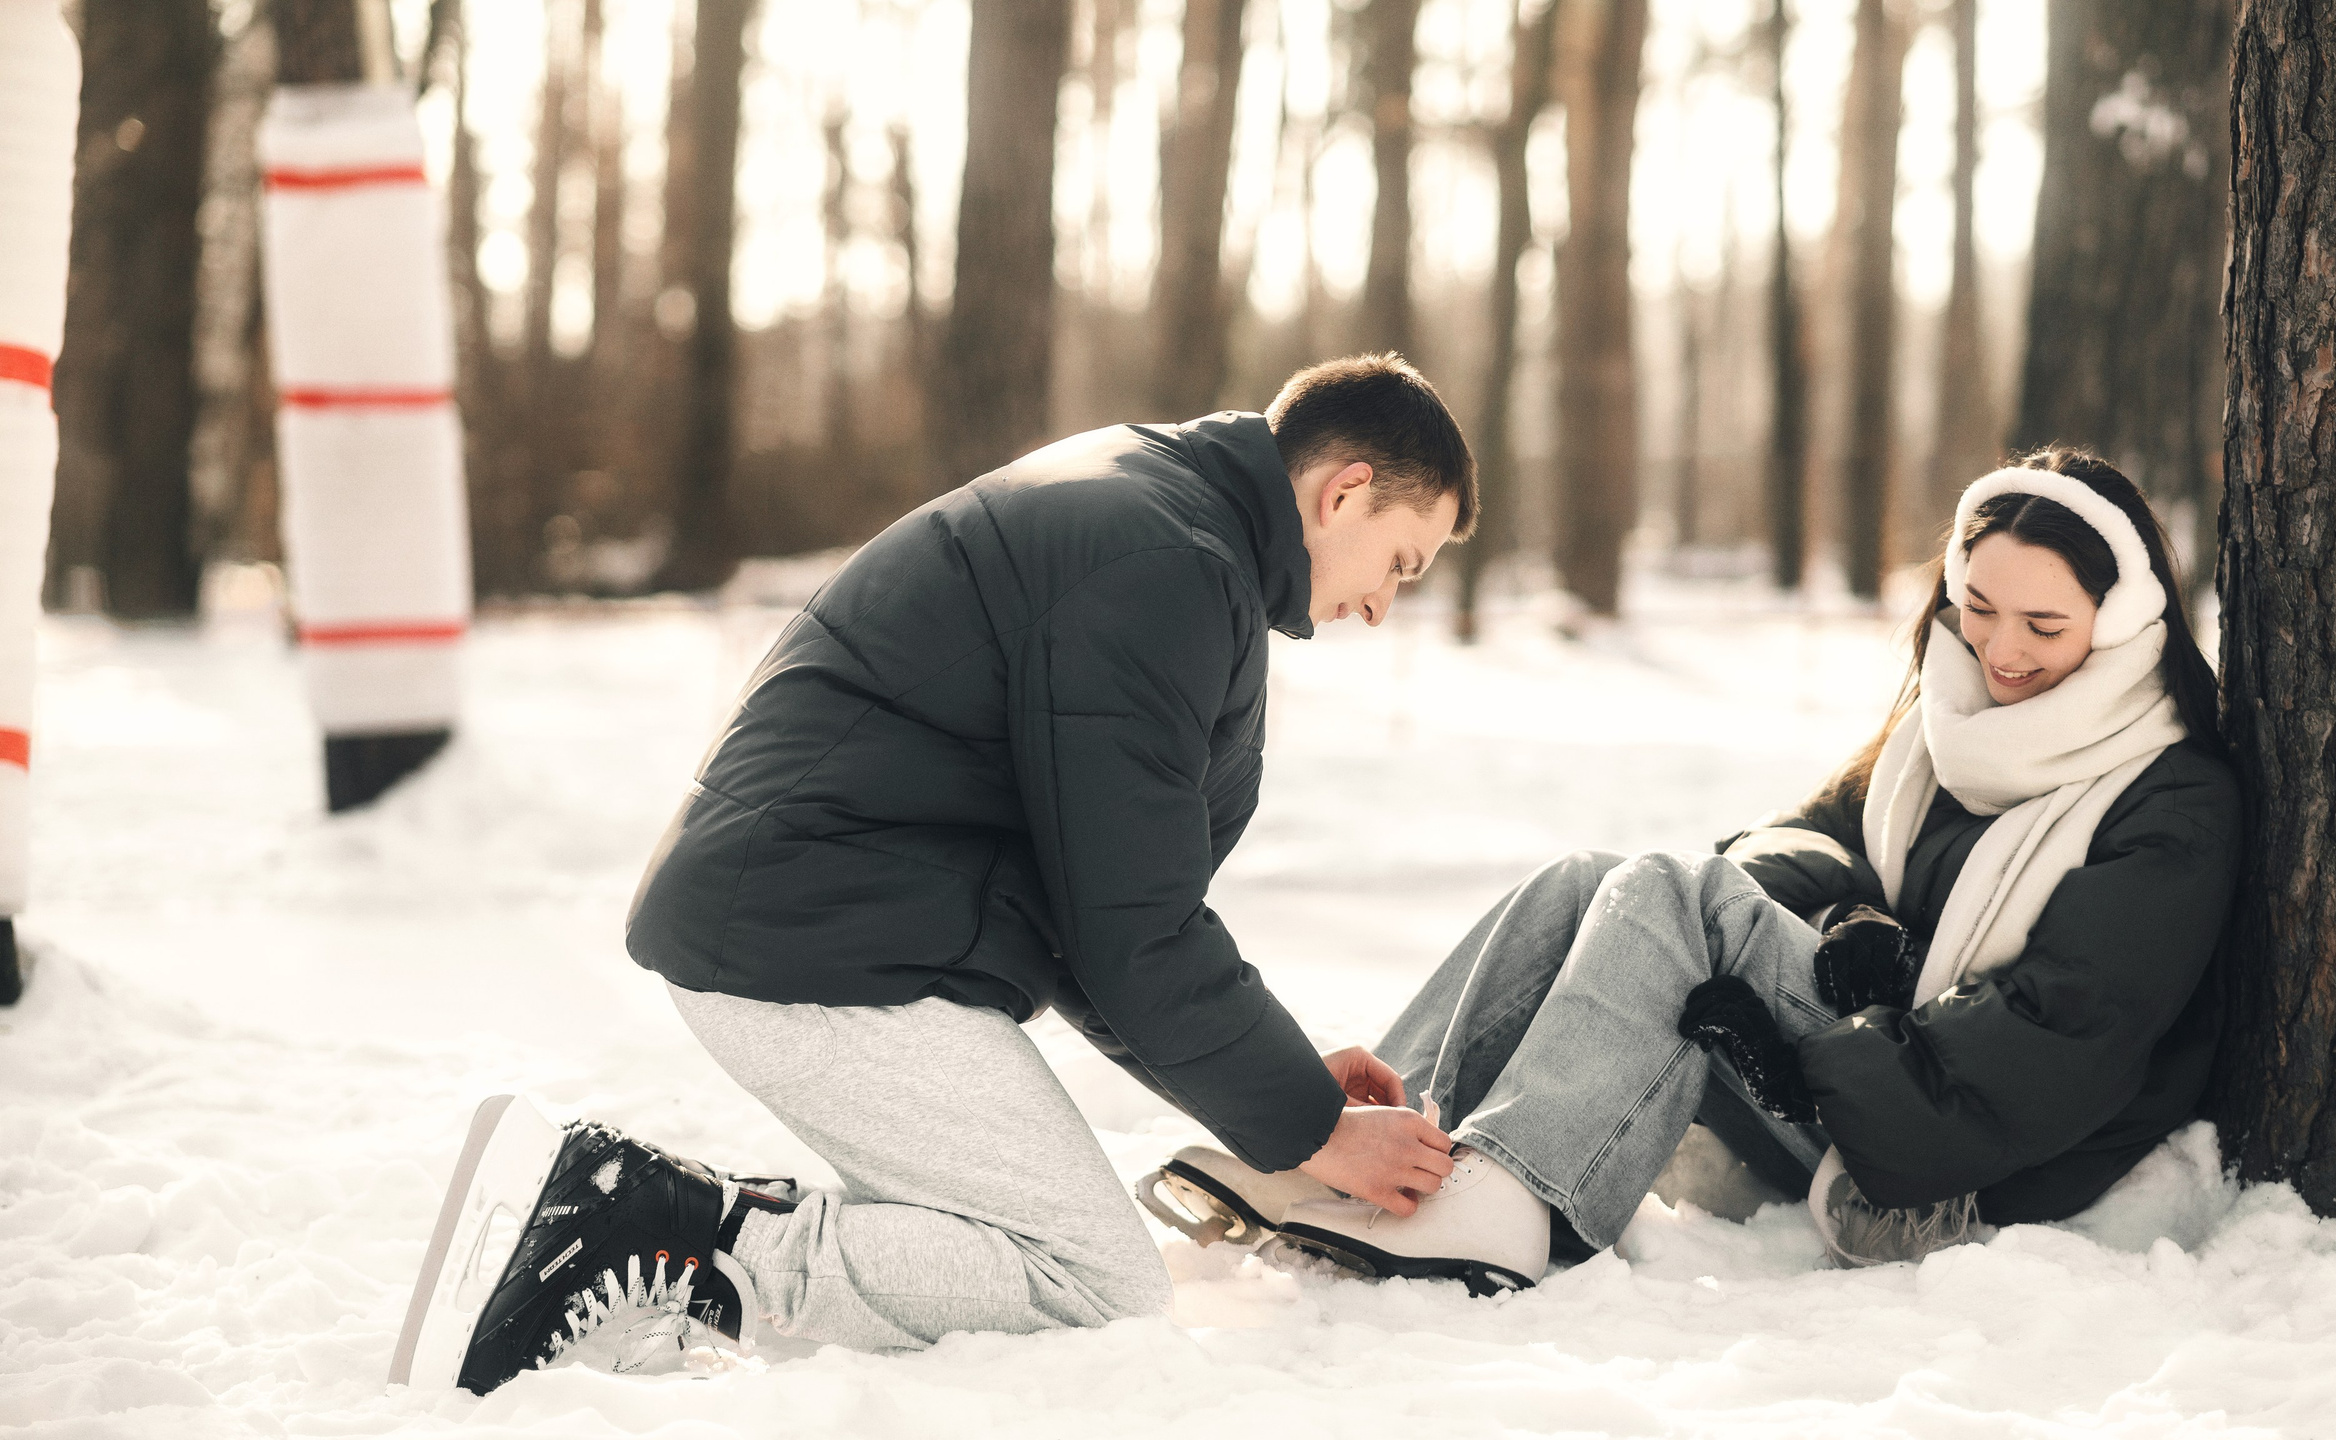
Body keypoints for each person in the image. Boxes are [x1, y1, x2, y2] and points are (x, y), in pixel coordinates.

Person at [392, 355, 1476, 1393]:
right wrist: (1311, 1128)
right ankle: (660, 1231)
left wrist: (1283, 1089)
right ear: (1347, 491)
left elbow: (1098, 909)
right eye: (1401, 564)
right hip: (812, 936)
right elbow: (1129, 926)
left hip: (829, 920)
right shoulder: (1166, 564)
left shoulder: (1168, 523)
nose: (1384, 606)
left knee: (1053, 1259)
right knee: (1093, 1283)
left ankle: (663, 1232)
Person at [1145, 448, 2241, 1289]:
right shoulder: (1950, 717)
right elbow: (1809, 840)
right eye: (1979, 607)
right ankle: (1358, 1152)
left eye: (2043, 625)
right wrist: (1854, 934)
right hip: (1884, 1057)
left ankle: (1515, 1201)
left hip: (1961, 1149)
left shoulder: (2171, 797)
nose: (2000, 650)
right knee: (1590, 879)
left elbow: (2060, 1040)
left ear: (2122, 620)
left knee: (1677, 894)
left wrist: (1852, 1021)